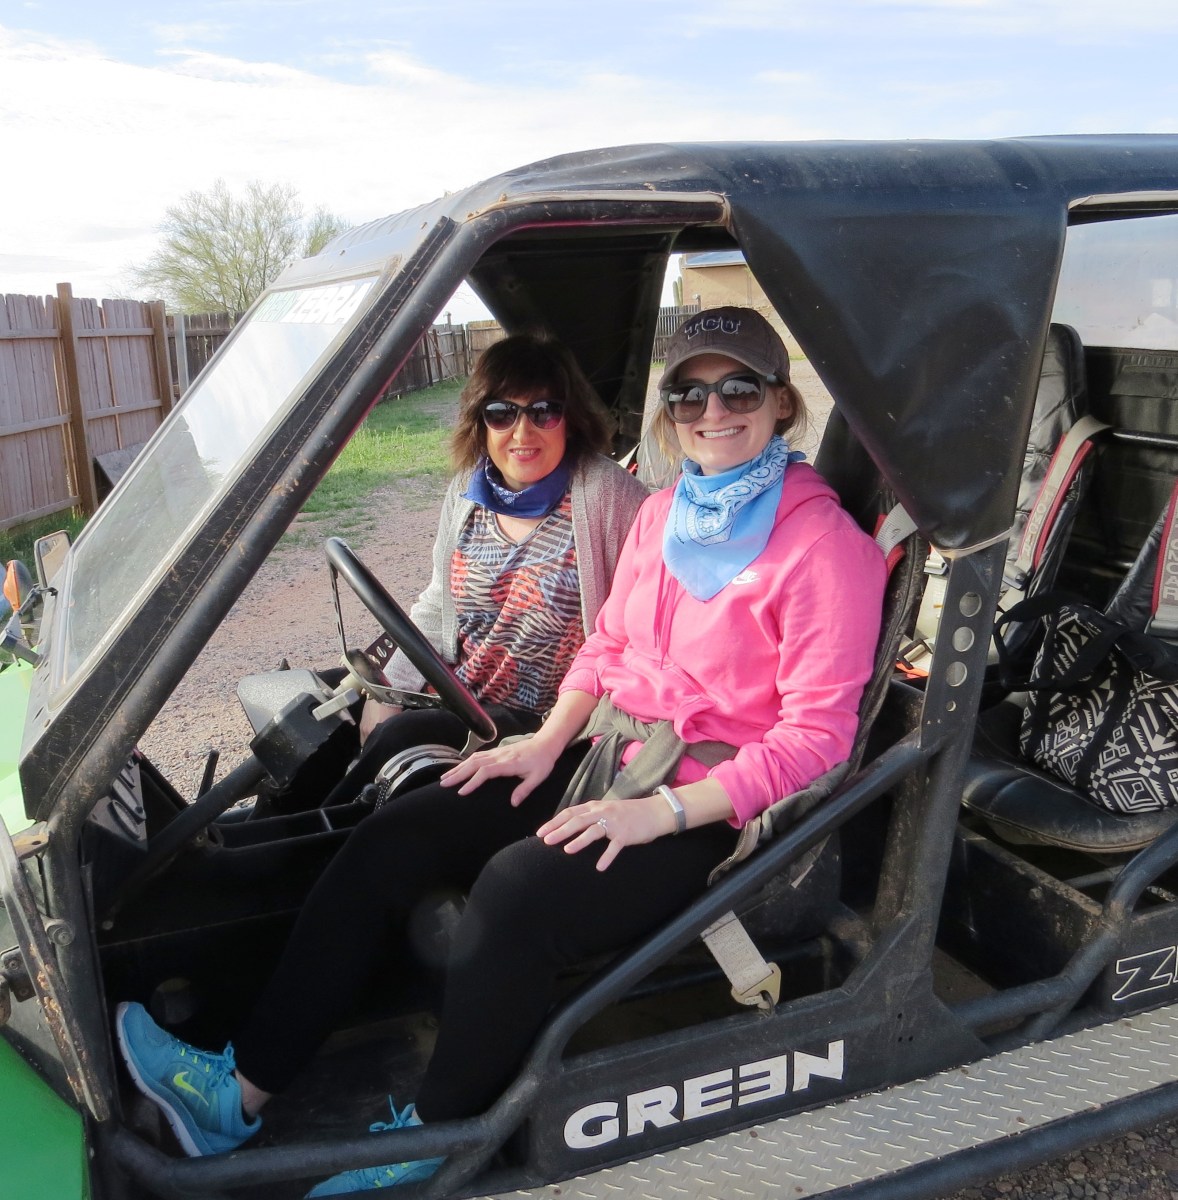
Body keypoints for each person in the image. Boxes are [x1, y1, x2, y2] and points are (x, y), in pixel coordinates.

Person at [115, 306, 888, 1195]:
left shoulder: (824, 547)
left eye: (739, 390)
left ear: (782, 402)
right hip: (606, 754)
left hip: (712, 805)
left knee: (516, 890)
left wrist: (662, 812)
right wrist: (542, 743)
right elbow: (607, 649)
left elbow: (816, 739)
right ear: (670, 411)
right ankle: (236, 1095)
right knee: (400, 832)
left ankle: (440, 1139)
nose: (713, 412)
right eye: (689, 395)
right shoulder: (666, 514)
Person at [270, 332, 649, 812]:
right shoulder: (468, 492)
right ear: (480, 421)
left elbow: (638, 631)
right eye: (502, 413)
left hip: (538, 720)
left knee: (398, 739)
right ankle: (264, 826)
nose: (522, 432)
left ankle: (317, 838)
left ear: (569, 419)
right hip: (457, 690)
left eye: (543, 412)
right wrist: (391, 687)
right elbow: (437, 605)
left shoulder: (609, 497)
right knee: (313, 710)